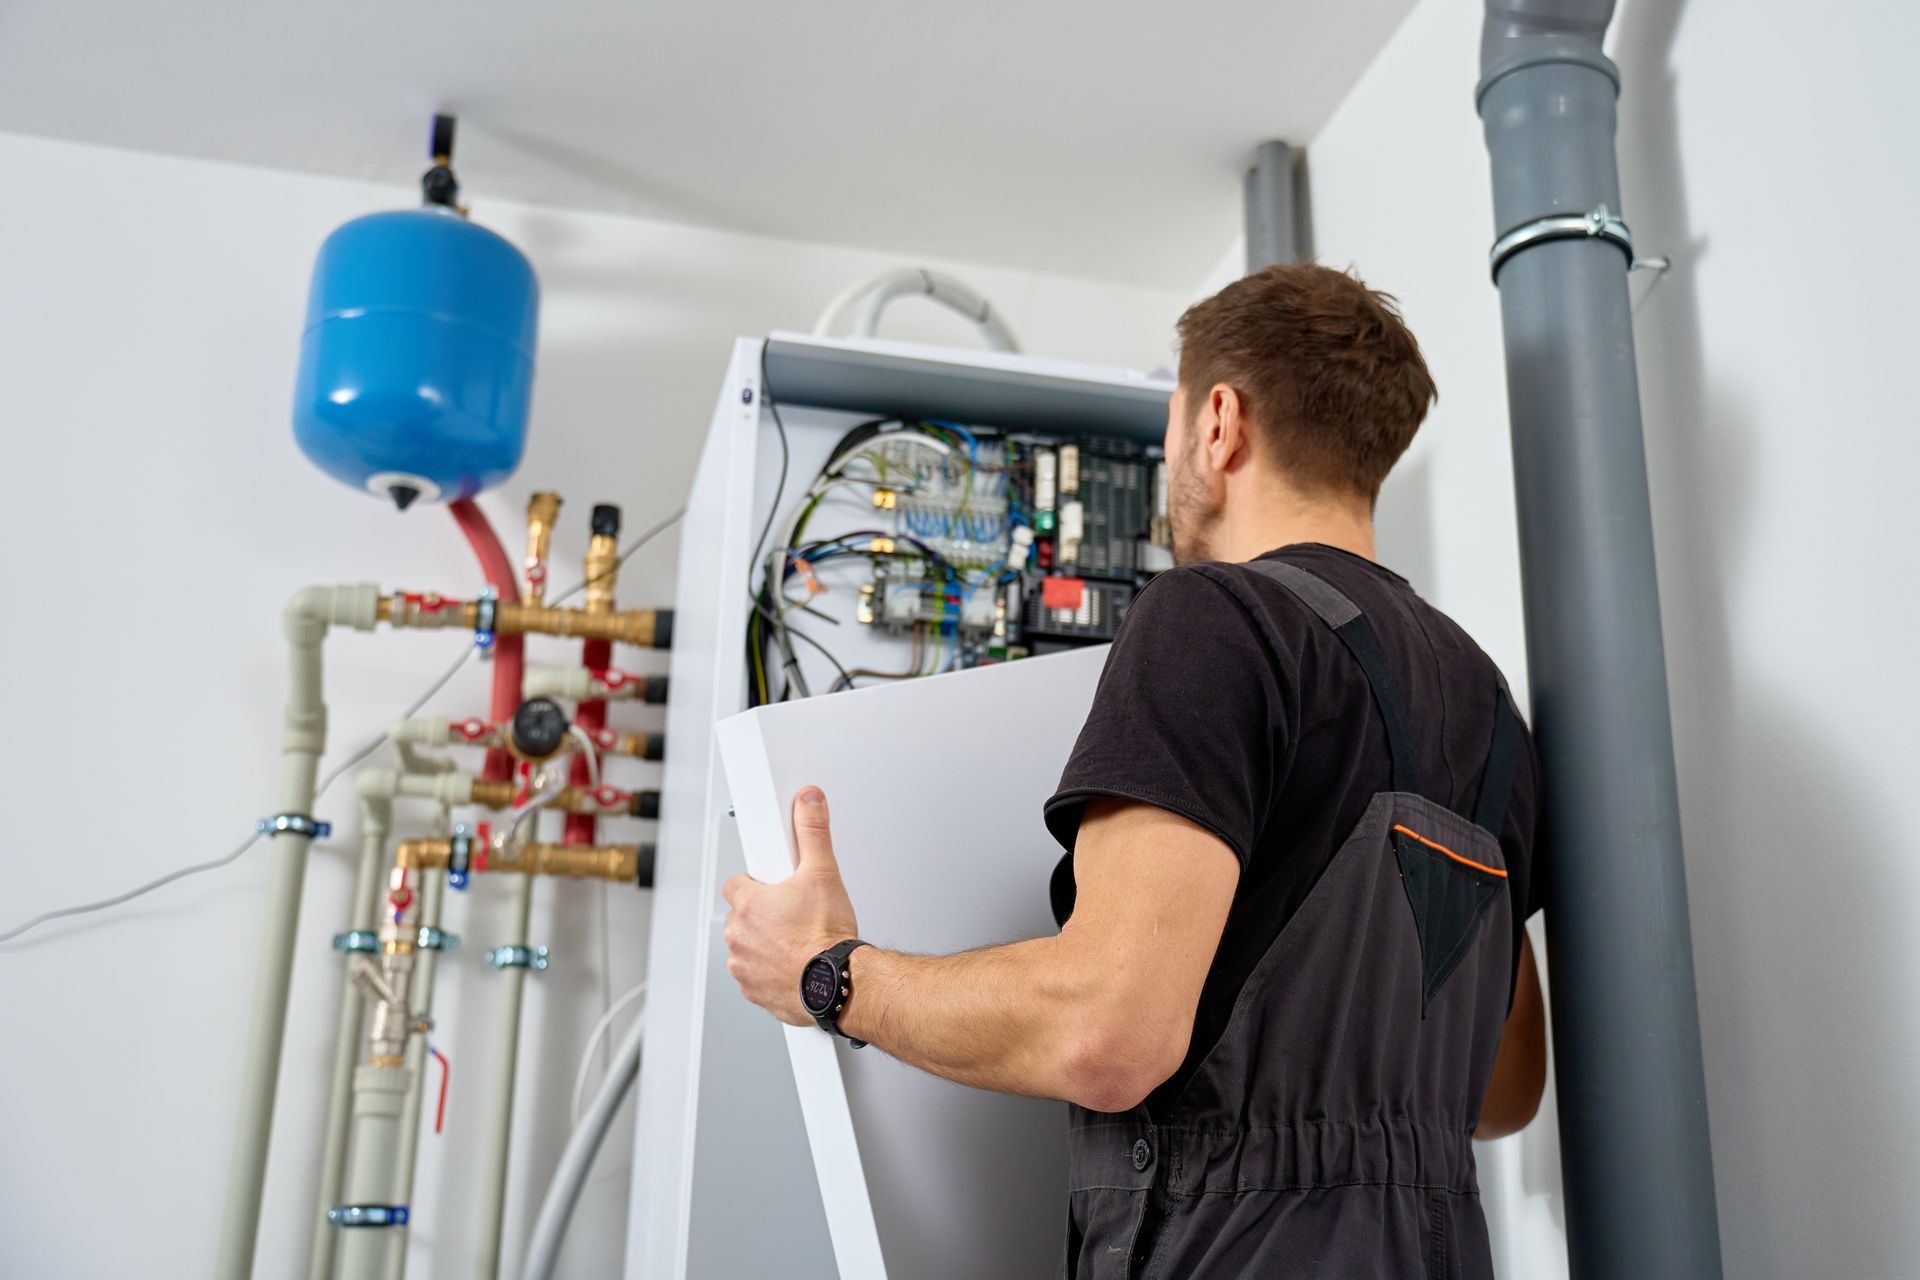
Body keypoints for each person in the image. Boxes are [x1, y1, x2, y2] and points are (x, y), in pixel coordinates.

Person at [722, 263, 1548, 1279]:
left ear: (1219, 424)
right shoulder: (1489, 705)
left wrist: (830, 973)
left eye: (1170, 431)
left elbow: (1108, 1029)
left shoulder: (1218, 618)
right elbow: (1504, 1086)